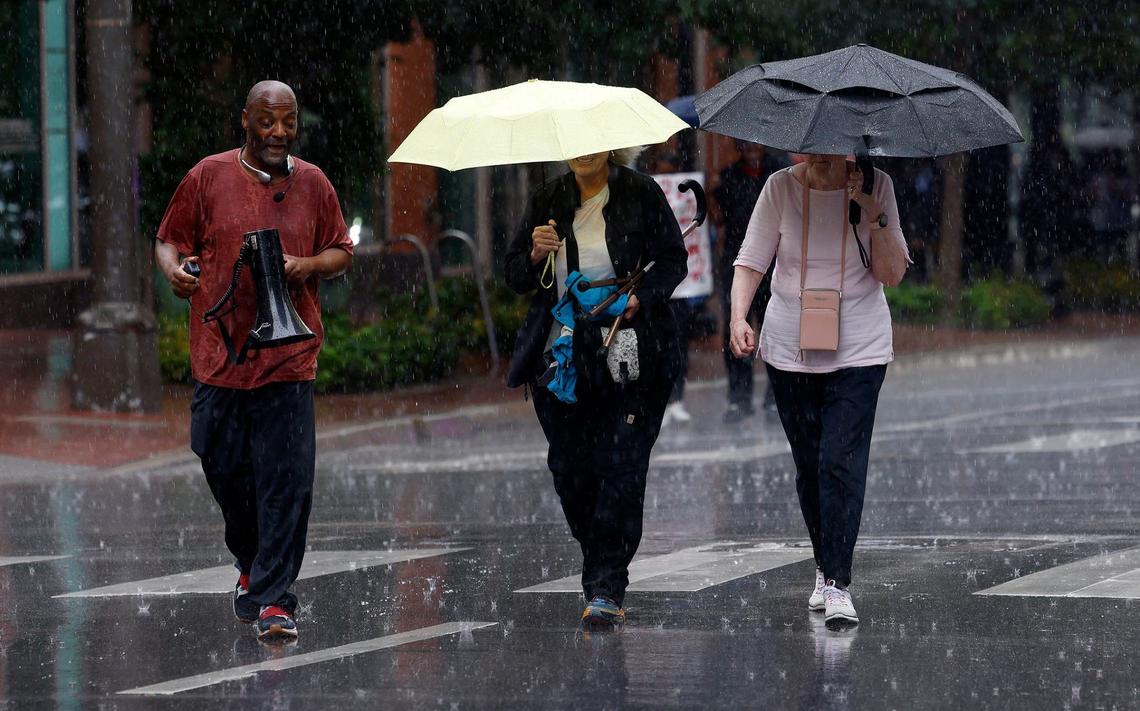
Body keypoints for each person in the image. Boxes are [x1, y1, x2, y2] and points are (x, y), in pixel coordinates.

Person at [154, 80, 353, 642]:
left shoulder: (313, 183)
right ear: (245, 120)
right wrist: (172, 270)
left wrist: (305, 264)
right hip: (219, 359)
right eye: (267, 122)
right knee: (223, 467)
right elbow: (168, 240)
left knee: (285, 483)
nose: (279, 133)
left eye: (288, 122)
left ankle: (274, 600)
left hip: (289, 359)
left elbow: (342, 251)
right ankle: (251, 561)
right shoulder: (207, 176)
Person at [504, 148, 687, 631]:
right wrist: (535, 253)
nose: (584, 154)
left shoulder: (639, 192)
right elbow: (515, 276)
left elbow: (673, 260)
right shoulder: (547, 199)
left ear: (609, 147)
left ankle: (605, 586)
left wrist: (639, 298)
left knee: (623, 466)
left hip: (633, 351)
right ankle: (601, 559)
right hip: (564, 356)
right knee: (570, 468)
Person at [728, 153, 909, 627]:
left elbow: (892, 273)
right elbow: (751, 261)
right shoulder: (780, 187)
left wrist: (872, 209)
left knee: (839, 462)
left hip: (861, 349)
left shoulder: (878, 184)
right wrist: (738, 316)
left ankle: (838, 584)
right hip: (791, 349)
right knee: (810, 465)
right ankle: (824, 563)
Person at [712, 141, 787, 423]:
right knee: (736, 329)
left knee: (774, 329)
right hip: (737, 263)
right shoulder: (729, 178)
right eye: (747, 146)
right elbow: (719, 220)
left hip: (775, 265)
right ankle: (739, 398)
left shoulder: (779, 175)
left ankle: (774, 396)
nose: (753, 150)